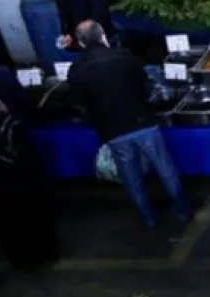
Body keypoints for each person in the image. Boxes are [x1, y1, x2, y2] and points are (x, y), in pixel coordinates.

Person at [67, 20, 188, 227]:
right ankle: (183, 211)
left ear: (81, 42)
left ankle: (148, 218)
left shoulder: (76, 70)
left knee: (132, 179)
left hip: (114, 132)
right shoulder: (125, 57)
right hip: (144, 122)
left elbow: (81, 105)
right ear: (103, 35)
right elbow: (145, 87)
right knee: (165, 168)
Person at [0, 92, 59, 275]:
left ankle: (23, 259)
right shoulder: (9, 124)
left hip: (2, 178)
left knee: (8, 220)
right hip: (20, 175)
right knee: (32, 213)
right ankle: (43, 254)